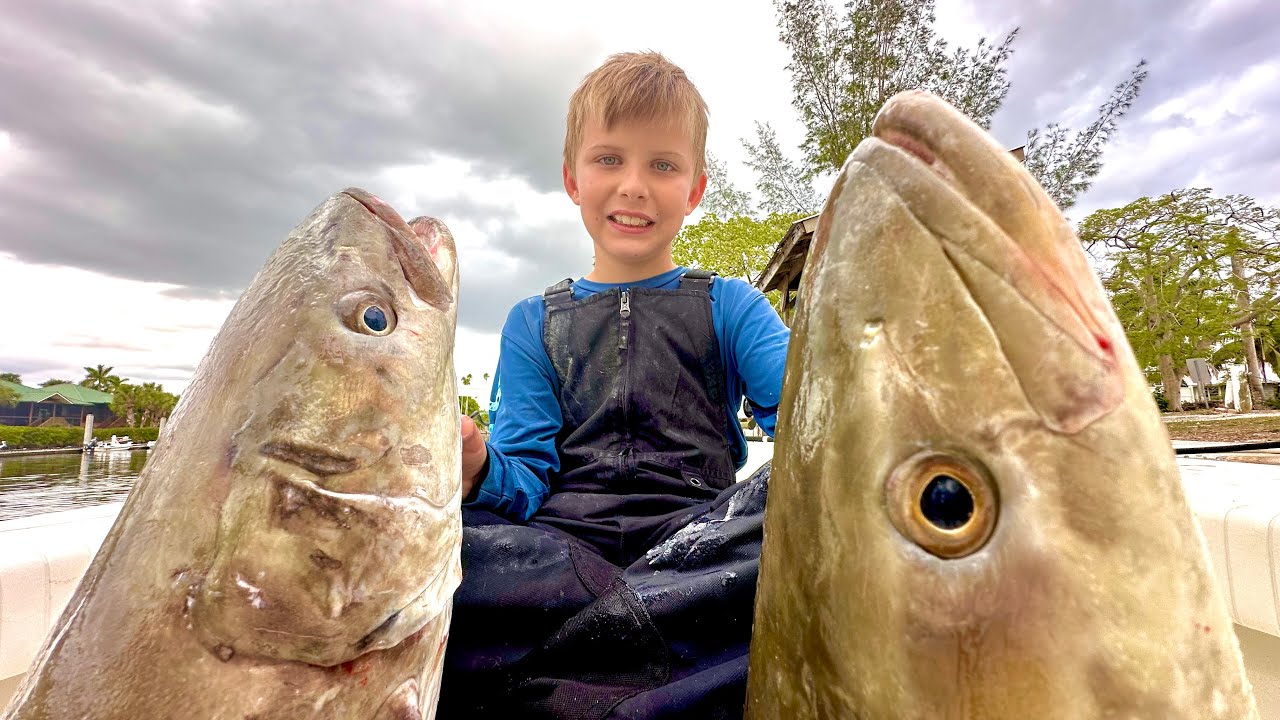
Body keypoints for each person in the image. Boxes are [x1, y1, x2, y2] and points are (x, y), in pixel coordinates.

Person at [437, 51, 791, 719]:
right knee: (443, 553)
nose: (634, 185)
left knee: (789, 521)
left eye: (662, 164)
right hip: (560, 555)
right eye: (609, 160)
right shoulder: (533, 321)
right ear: (573, 179)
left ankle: (582, 659)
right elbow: (525, 478)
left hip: (702, 547)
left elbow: (814, 430)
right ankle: (655, 653)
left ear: (694, 189)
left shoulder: (733, 305)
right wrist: (479, 468)